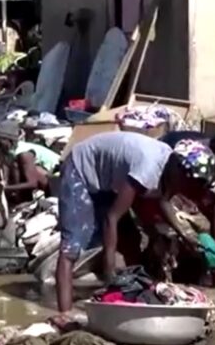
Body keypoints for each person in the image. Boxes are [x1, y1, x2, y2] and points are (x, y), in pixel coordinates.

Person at [54, 131, 174, 313]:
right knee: (72, 246)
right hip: (79, 169)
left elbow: (146, 210)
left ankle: (131, 295)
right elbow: (112, 218)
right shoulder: (147, 169)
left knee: (131, 238)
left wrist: (159, 238)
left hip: (106, 180)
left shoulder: (167, 162)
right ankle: (64, 313)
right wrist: (110, 272)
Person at [136, 130, 215, 286]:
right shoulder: (181, 151)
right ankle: (158, 273)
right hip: (161, 183)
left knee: (206, 226)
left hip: (190, 181)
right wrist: (183, 232)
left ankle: (211, 274)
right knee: (165, 232)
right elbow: (163, 199)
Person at [0, 119, 60, 226]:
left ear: (10, 140)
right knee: (14, 167)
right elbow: (5, 173)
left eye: (2, 140)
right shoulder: (9, 152)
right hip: (43, 177)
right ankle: (20, 202)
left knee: (18, 167)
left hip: (57, 179)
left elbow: (32, 183)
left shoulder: (24, 154)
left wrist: (6, 188)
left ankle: (25, 202)